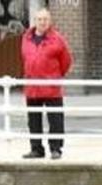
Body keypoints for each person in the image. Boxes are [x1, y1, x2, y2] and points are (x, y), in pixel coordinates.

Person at [20, 8, 72, 160]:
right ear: (35, 21)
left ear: (50, 21)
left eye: (45, 19)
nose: (43, 22)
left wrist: (55, 76)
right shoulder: (26, 37)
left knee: (55, 119)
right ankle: (36, 149)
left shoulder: (57, 39)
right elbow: (25, 58)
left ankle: (56, 149)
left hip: (51, 87)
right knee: (33, 120)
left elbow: (66, 61)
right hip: (32, 86)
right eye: (40, 19)